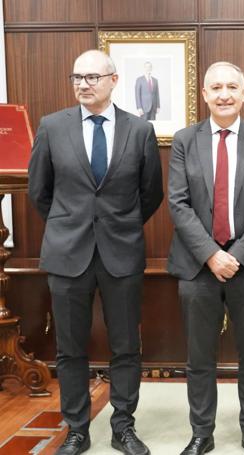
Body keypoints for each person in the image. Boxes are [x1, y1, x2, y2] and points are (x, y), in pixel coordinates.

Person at [28, 49, 163, 455]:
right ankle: (77, 430)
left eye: (91, 77)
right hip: (68, 254)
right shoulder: (52, 127)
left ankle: (123, 425)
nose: (83, 85)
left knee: (126, 346)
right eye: (77, 78)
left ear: (113, 80)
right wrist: (71, 224)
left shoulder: (139, 130)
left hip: (121, 252)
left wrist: (118, 225)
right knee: (70, 348)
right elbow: (40, 192)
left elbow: (151, 193)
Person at [167, 61, 244, 455]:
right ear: (204, 94)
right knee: (199, 357)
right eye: (215, 87)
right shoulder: (185, 140)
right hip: (197, 264)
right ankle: (202, 432)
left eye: (232, 86)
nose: (224, 94)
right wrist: (212, 255)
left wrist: (236, 255)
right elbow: (178, 203)